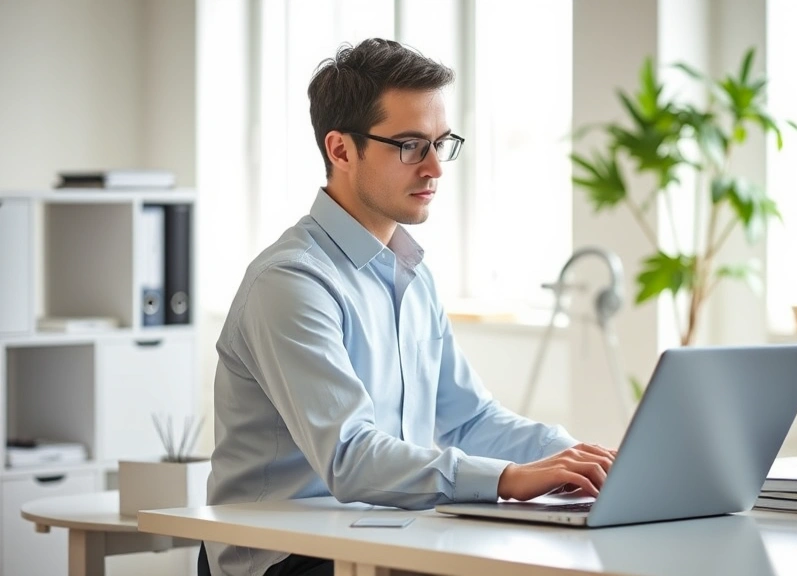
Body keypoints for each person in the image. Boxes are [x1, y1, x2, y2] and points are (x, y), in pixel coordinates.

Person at [201, 38, 617, 576]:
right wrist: (509, 478)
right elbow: (350, 456)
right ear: (341, 150)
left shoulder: (410, 274)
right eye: (409, 146)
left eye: (440, 144)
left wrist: (582, 459)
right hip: (289, 557)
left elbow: (469, 419)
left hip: (388, 538)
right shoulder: (290, 281)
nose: (435, 169)